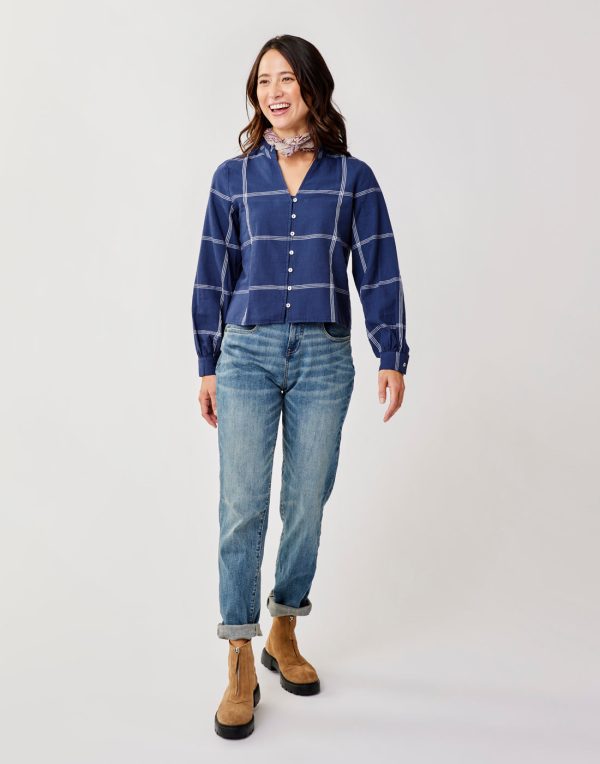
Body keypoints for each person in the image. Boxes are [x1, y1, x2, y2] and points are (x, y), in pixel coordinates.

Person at [191, 34, 410, 739]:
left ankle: (285, 625)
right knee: (241, 507)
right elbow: (213, 271)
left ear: (313, 87)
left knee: (307, 502)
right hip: (246, 354)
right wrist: (206, 362)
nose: (274, 91)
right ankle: (239, 656)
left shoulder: (353, 178)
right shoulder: (232, 178)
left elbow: (378, 266)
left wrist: (391, 352)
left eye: (287, 78)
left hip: (323, 356)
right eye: (264, 81)